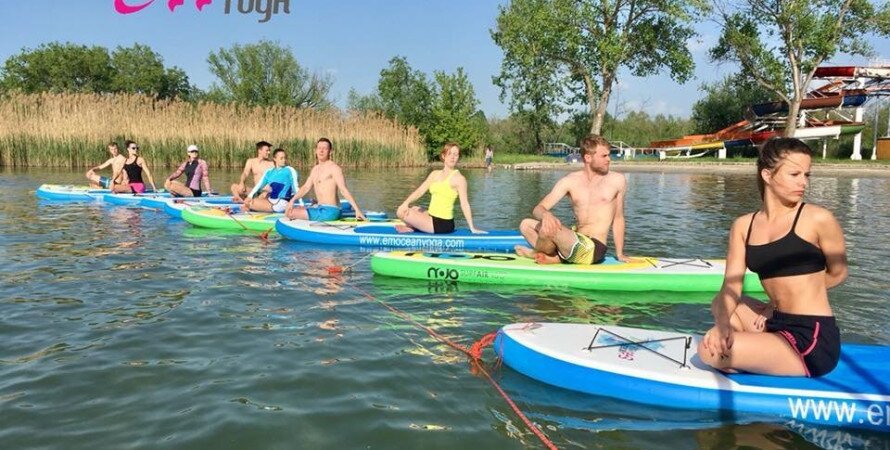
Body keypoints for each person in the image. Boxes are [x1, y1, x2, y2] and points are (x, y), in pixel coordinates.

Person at [699, 138, 848, 377]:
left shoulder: (817, 219)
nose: (803, 183)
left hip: (811, 336)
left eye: (806, 175)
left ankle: (738, 354)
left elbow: (839, 273)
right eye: (794, 174)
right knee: (725, 303)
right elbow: (730, 287)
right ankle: (741, 346)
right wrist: (723, 324)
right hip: (775, 321)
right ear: (768, 175)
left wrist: (793, 296)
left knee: (708, 352)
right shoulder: (743, 226)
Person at [514, 134, 630, 265]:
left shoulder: (617, 180)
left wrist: (620, 253)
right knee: (525, 225)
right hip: (572, 239)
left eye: (609, 155)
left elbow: (619, 219)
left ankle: (536, 253)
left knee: (548, 230)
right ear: (588, 157)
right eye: (604, 156)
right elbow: (538, 209)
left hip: (594, 247)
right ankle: (556, 256)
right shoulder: (570, 181)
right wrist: (546, 215)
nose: (609, 159)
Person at [396, 142, 484, 234]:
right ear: (443, 156)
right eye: (449, 154)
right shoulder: (434, 174)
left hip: (443, 224)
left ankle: (413, 228)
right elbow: (420, 191)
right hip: (431, 216)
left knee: (400, 212)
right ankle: (413, 227)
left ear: (458, 157)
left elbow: (465, 204)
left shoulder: (459, 179)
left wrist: (472, 227)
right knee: (414, 208)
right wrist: (405, 203)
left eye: (456, 154)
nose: (452, 157)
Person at [285, 138, 367, 222]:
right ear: (315, 150)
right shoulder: (315, 169)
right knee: (296, 208)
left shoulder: (334, 168)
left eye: (325, 148)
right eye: (319, 148)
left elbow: (343, 190)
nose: (321, 151)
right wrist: (292, 200)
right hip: (320, 207)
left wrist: (357, 209)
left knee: (289, 212)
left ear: (330, 152)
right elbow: (306, 187)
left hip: (330, 211)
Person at [243, 148, 299, 213]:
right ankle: (251, 209)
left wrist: (301, 204)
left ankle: (250, 209)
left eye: (285, 158)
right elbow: (259, 186)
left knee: (250, 203)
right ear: (275, 159)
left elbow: (296, 188)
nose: (284, 160)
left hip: (281, 203)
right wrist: (250, 196)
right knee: (251, 200)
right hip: (271, 201)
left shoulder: (290, 170)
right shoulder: (269, 172)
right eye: (281, 158)